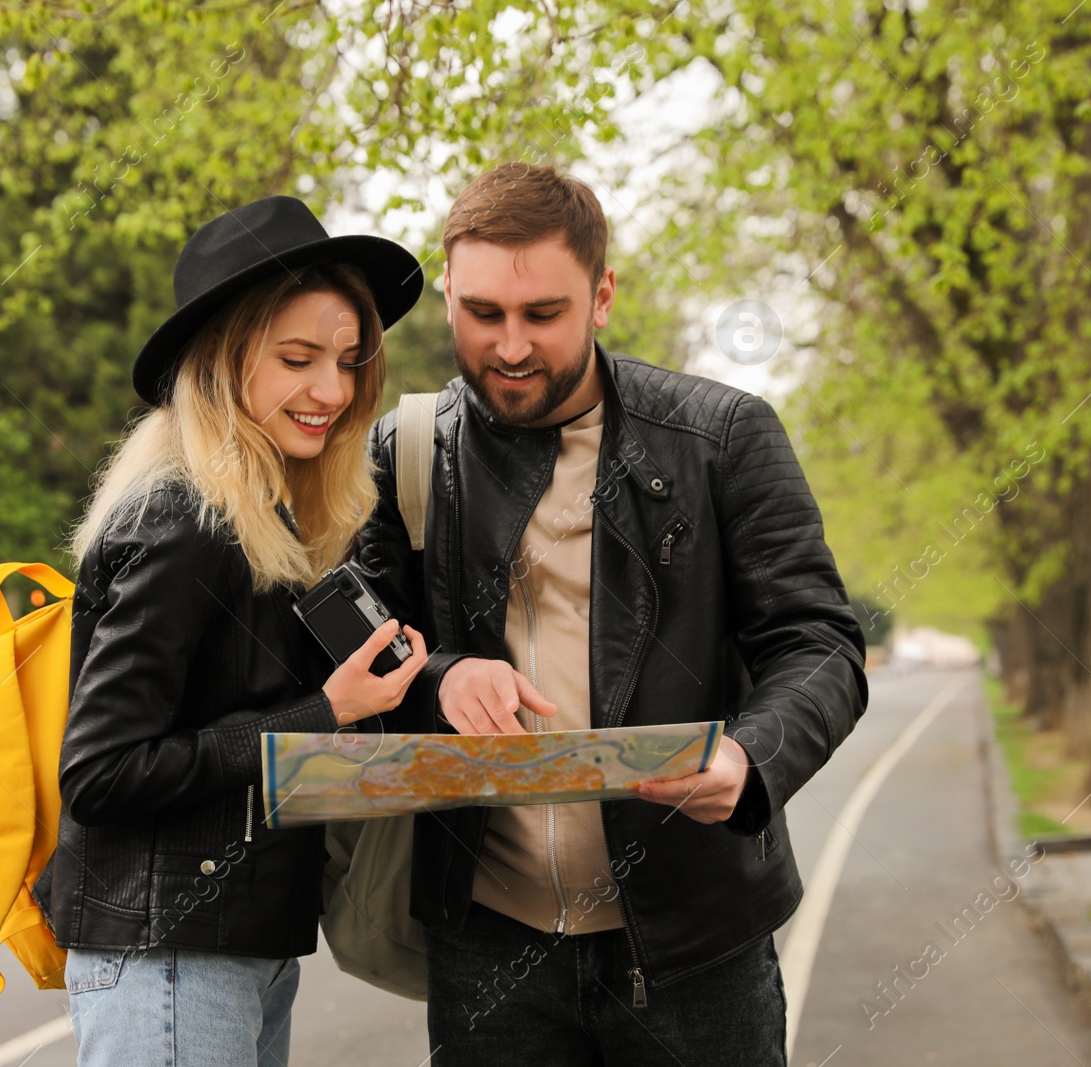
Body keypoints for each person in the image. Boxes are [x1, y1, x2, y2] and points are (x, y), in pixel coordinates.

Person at [350, 162, 870, 1065]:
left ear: (601, 296)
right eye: (483, 313)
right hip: (486, 946)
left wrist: (752, 755)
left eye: (542, 314)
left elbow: (819, 642)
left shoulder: (725, 437)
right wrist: (438, 674)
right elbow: (358, 628)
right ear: (447, 296)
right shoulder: (406, 449)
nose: (510, 346)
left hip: (696, 945)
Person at [46, 195, 435, 1066]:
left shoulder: (270, 520)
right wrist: (321, 713)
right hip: (170, 959)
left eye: (345, 360)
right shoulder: (185, 520)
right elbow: (100, 772)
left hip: (237, 948)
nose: (331, 392)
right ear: (223, 359)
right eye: (297, 359)